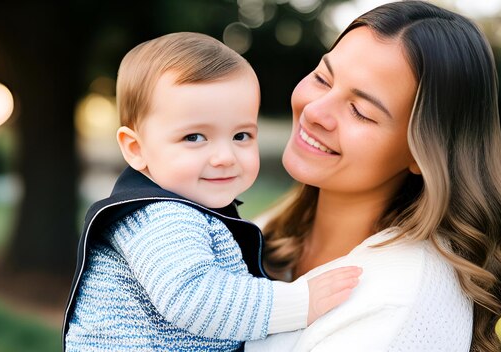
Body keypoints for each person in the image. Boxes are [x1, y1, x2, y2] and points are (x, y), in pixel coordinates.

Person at [62, 32, 362, 351]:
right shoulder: (160, 217)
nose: (224, 157)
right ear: (136, 149)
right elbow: (190, 295)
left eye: (241, 135)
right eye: (194, 138)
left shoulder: (184, 208)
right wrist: (300, 303)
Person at [246, 1, 501, 351]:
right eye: (322, 78)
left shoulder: (397, 306)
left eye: (360, 111)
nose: (315, 111)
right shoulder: (269, 229)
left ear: (423, 153)